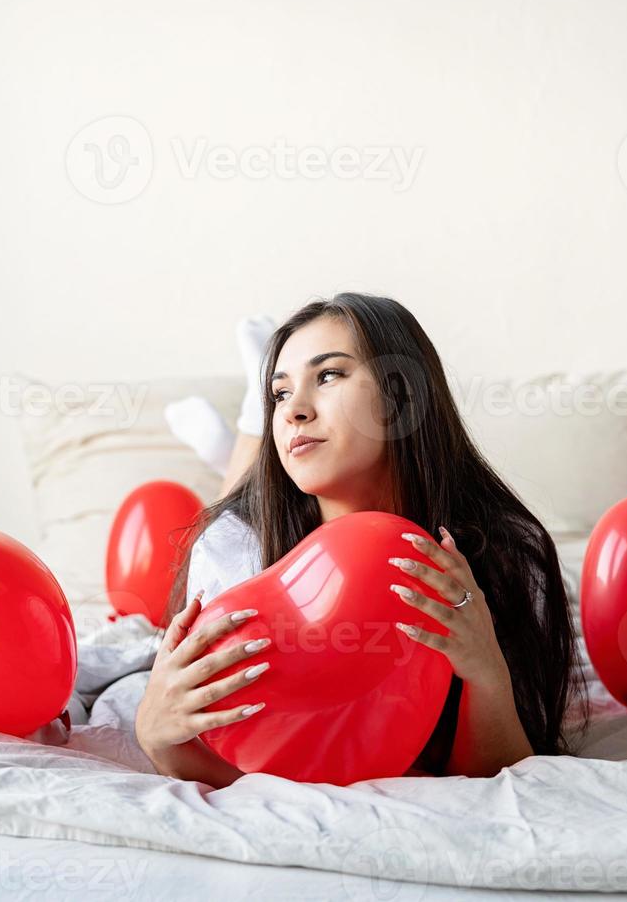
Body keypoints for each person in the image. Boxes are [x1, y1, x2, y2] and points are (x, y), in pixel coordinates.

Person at [135, 292, 591, 787]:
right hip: (251, 516)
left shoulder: (505, 552)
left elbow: (505, 780)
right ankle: (246, 431)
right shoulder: (234, 548)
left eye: (328, 375)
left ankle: (240, 437)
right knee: (235, 499)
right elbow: (233, 772)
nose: (294, 412)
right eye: (279, 393)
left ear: (401, 397)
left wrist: (487, 673)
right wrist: (155, 737)